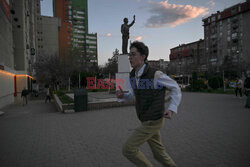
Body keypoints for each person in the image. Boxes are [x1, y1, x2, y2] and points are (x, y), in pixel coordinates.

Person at [116, 41, 182, 167]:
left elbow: (175, 88)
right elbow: (133, 95)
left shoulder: (156, 75)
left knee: (128, 149)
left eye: (133, 55)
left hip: (154, 120)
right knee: (159, 154)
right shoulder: (132, 75)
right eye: (129, 55)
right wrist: (123, 95)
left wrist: (172, 108)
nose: (130, 58)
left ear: (143, 56)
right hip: (145, 120)